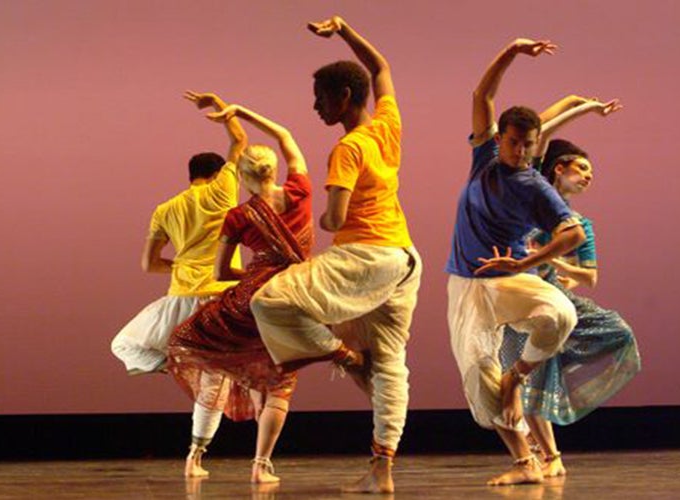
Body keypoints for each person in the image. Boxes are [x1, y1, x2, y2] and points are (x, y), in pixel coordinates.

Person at [250, 15, 421, 494]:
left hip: (365, 256)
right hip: (405, 260)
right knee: (389, 364)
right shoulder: (387, 126)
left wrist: (301, 217)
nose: (316, 107)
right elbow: (381, 66)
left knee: (269, 302)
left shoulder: (346, 148)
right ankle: (381, 469)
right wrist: (345, 29)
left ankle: (344, 355)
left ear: (343, 98)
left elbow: (335, 219)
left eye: (320, 98)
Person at [445, 38, 588, 486]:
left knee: (560, 314)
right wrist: (511, 51)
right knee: (478, 388)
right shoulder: (483, 158)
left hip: (507, 280)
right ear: (499, 138)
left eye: (528, 145)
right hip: (466, 286)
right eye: (513, 143)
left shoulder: (534, 186)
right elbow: (482, 96)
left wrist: (526, 264)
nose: (520, 152)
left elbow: (574, 233)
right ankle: (524, 462)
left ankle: (517, 376)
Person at [166, 97, 314, 483]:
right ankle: (260, 465)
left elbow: (223, 269)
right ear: (274, 169)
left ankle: (200, 454)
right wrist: (241, 111)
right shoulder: (299, 192)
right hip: (295, 293)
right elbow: (286, 136)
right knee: (280, 382)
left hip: (253, 300)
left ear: (244, 178)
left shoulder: (238, 216)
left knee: (249, 369)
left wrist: (253, 273)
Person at [498, 99, 640, 478]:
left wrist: (549, 258)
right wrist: (583, 105)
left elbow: (588, 275)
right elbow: (540, 133)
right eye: (582, 169)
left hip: (552, 297)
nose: (589, 177)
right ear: (558, 169)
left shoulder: (580, 224)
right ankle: (544, 456)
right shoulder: (535, 192)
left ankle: (546, 455)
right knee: (525, 374)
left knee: (615, 332)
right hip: (521, 299)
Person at [109, 90, 244, 476]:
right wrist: (220, 107)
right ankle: (195, 456)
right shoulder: (222, 192)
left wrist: (182, 264)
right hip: (221, 301)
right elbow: (240, 142)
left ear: (190, 176)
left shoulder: (165, 209)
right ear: (218, 175)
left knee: (124, 343)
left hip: (182, 299)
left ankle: (170, 361)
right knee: (215, 383)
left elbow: (148, 264)